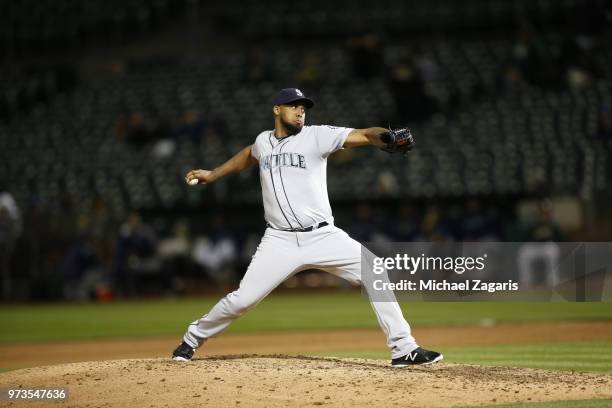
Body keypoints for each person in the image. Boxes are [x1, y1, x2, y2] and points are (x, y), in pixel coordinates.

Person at [172, 88, 442, 367]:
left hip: (323, 236)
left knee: (374, 270)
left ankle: (403, 349)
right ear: (277, 109)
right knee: (242, 301)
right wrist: (213, 174)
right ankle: (191, 340)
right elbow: (248, 155)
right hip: (279, 240)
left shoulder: (316, 136)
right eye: (293, 106)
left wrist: (384, 138)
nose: (301, 111)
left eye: (304, 107)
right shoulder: (263, 141)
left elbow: (363, 134)